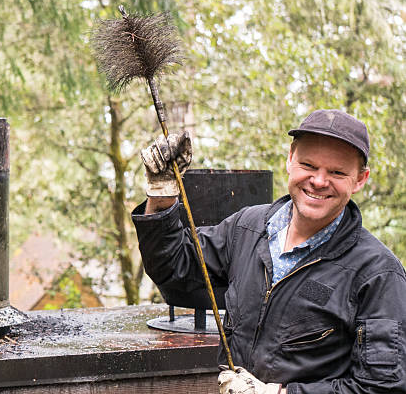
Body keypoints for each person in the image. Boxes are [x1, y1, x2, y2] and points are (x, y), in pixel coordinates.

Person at [131, 109, 406, 394]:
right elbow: (175, 268)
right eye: (308, 165)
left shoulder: (378, 275)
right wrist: (162, 196)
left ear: (360, 179)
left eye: (337, 172)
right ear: (290, 159)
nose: (319, 181)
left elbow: (382, 387)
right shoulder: (247, 228)